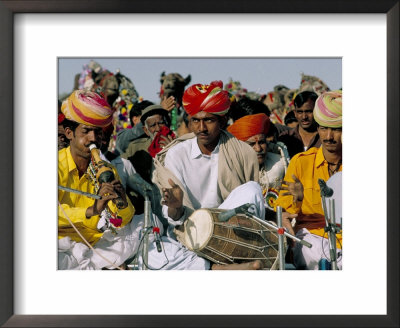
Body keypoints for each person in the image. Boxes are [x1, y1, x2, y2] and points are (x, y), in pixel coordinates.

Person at [152, 80, 266, 270]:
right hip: (191, 232)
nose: (201, 128)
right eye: (195, 120)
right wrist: (176, 207)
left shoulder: (242, 152)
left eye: (208, 120)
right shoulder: (177, 154)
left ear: (222, 121)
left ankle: (219, 263)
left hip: (229, 229)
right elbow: (174, 218)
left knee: (252, 189)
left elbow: (250, 203)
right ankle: (217, 268)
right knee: (149, 256)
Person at [58, 90, 139, 270]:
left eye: (97, 133)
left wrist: (122, 201)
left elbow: (122, 221)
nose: (93, 139)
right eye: (86, 132)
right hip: (60, 244)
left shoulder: (106, 169)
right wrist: (91, 210)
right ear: (69, 133)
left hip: (95, 244)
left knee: (140, 231)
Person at [275, 90, 343, 270]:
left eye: (336, 129)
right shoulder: (301, 162)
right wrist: (295, 201)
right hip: (312, 238)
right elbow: (285, 211)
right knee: (315, 253)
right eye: (323, 128)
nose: (328, 137)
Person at [227, 113, 287, 215]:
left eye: (262, 142)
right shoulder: (232, 169)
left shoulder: (279, 164)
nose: (258, 149)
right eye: (251, 144)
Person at [278, 91, 321, 158]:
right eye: (300, 112)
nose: (304, 117)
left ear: (317, 111)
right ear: (295, 113)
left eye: (309, 111)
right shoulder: (285, 139)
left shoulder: (326, 137)